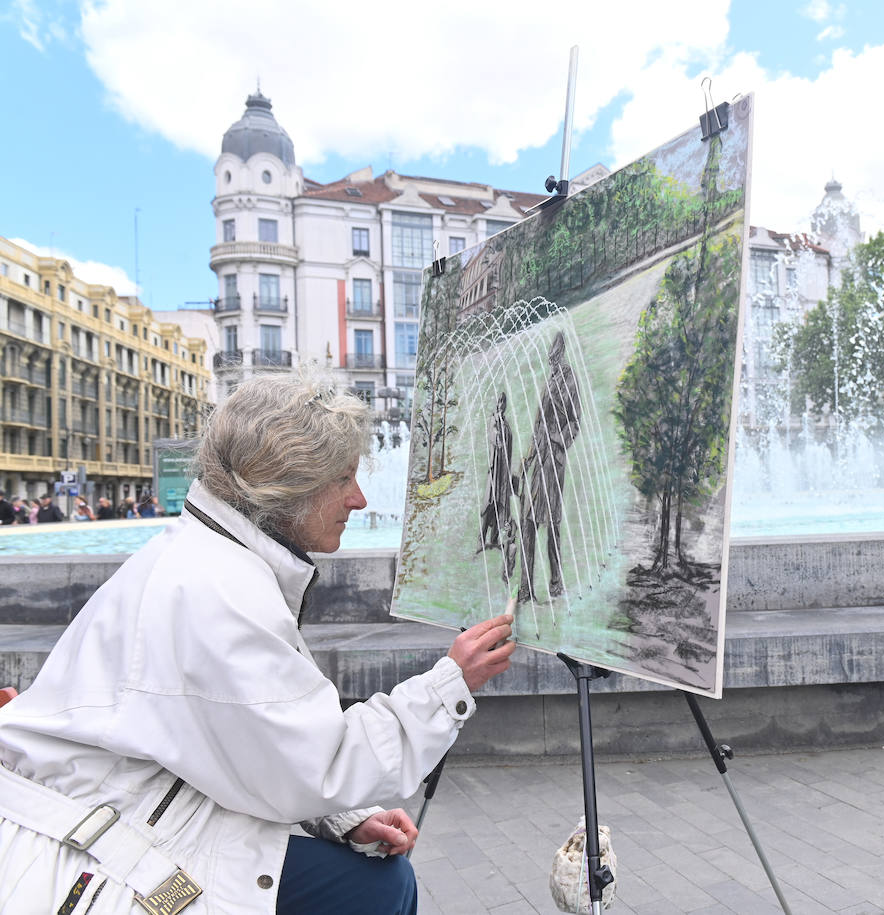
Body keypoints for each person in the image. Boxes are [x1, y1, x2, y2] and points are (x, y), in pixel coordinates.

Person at [0, 371, 516, 914]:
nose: (360, 499)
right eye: (343, 479)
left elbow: (241, 741)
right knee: (378, 892)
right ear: (290, 486)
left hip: (127, 812)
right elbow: (323, 762)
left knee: (380, 886)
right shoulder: (218, 593)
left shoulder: (207, 558)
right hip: (102, 856)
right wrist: (451, 684)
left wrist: (341, 818)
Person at [516, 332, 581, 604]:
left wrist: (557, 442)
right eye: (549, 356)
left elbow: (575, 422)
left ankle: (555, 584)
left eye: (554, 355)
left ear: (561, 353)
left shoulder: (569, 379)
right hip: (539, 459)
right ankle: (526, 588)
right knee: (528, 523)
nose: (551, 359)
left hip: (553, 462)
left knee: (552, 524)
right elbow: (538, 422)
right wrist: (529, 455)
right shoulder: (550, 380)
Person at [479, 391, 517, 581]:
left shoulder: (506, 423)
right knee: (489, 503)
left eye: (504, 402)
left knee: (501, 504)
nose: (502, 405)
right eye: (499, 402)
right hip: (495, 471)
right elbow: (493, 436)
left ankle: (494, 538)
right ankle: (481, 538)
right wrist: (498, 438)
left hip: (504, 472)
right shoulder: (494, 421)